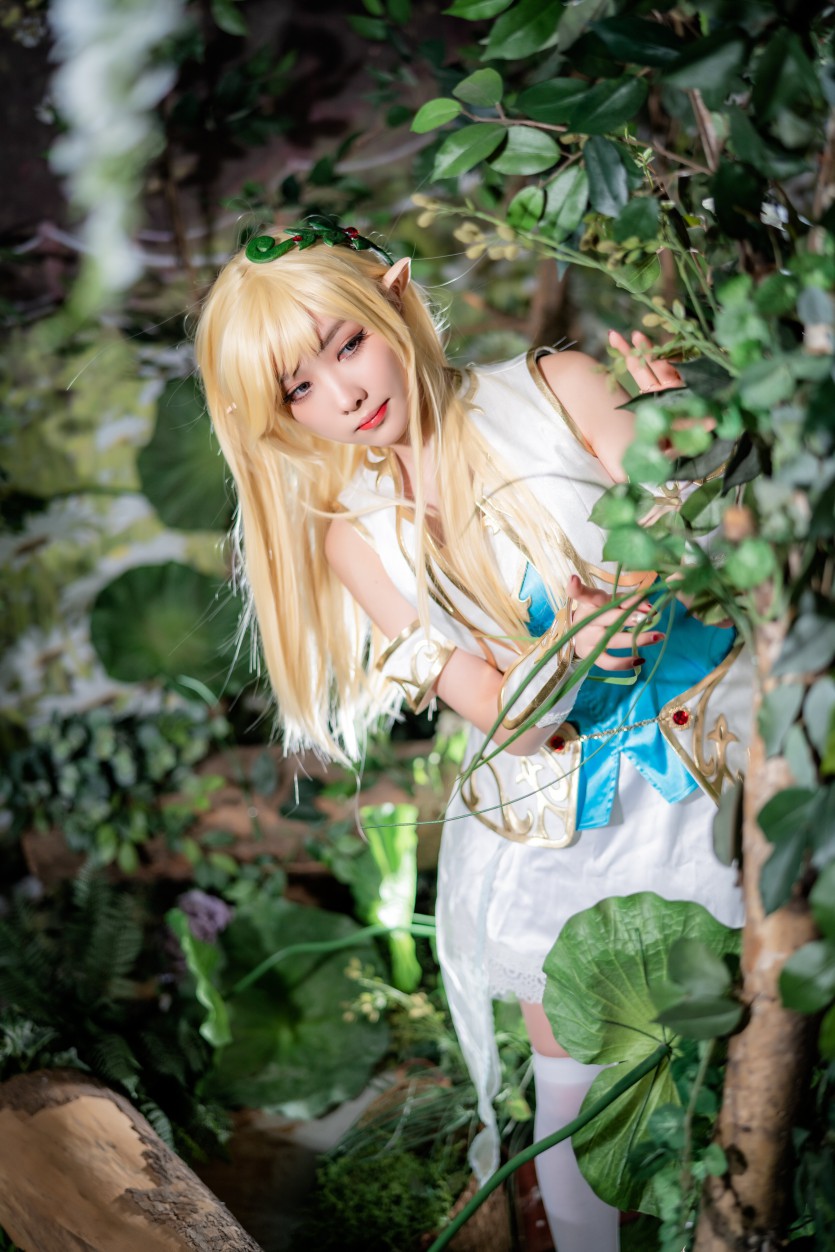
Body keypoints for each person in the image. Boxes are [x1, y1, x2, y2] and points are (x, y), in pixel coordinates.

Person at [195, 221, 747, 1252]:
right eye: (300, 387)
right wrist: (573, 650)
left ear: (394, 296)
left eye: (347, 344)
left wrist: (674, 468)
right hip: (562, 810)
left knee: (754, 1051)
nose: (344, 393)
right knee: (575, 1091)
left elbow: (696, 546)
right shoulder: (357, 535)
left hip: (712, 760)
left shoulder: (554, 387)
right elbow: (501, 714)